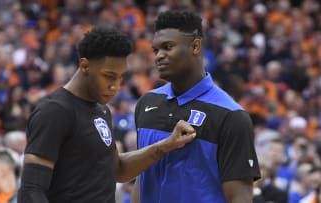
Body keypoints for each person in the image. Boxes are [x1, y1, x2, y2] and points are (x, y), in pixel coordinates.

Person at [17, 27, 197, 203]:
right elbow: (31, 191)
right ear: (85, 65)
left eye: (120, 77)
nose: (116, 86)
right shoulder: (55, 111)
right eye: (109, 76)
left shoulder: (101, 110)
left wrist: (167, 145)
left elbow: (118, 169)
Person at [131, 10, 261, 203]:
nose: (159, 56)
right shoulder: (147, 102)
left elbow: (239, 197)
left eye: (168, 47)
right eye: (156, 50)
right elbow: (142, 180)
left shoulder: (231, 115)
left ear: (195, 46)